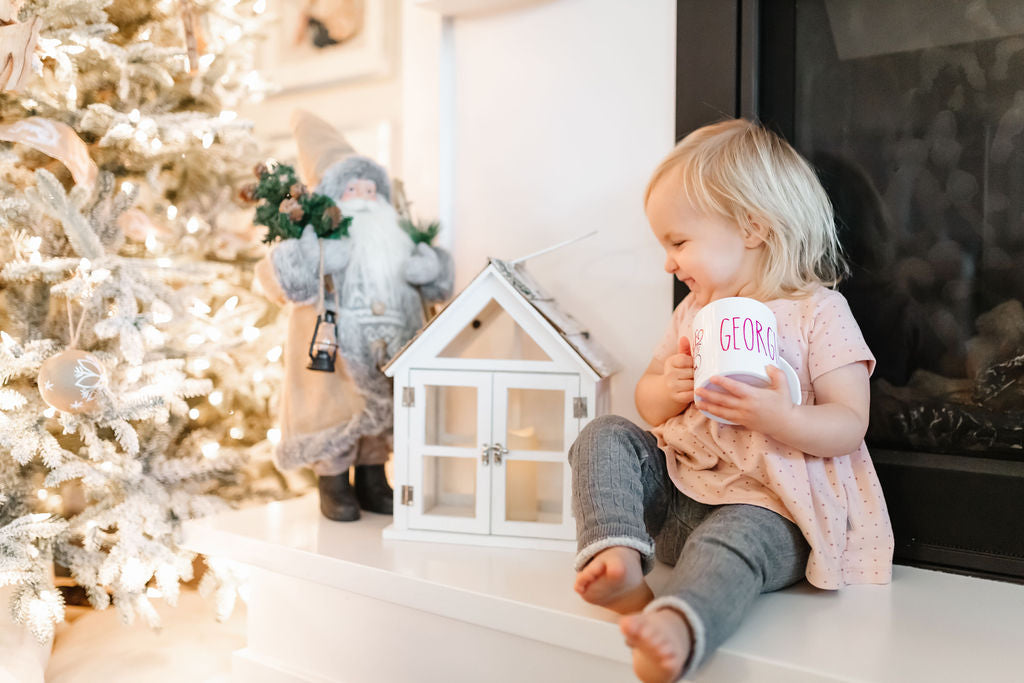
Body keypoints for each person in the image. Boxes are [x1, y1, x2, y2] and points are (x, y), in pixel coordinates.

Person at [569, 118, 894, 682]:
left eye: (677, 242)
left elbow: (849, 423)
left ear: (751, 227)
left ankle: (680, 621)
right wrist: (665, 387)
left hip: (772, 510)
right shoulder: (693, 313)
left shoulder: (819, 313)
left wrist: (782, 417)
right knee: (603, 433)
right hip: (677, 499)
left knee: (733, 538)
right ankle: (617, 555)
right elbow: (648, 404)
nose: (668, 263)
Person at [256, 152, 453, 522]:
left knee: (381, 418)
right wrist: (311, 253)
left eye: (370, 189)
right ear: (332, 197)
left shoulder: (398, 242)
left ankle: (373, 479)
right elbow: (283, 280)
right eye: (352, 189)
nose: (364, 197)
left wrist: (429, 267)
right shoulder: (323, 241)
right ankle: (333, 485)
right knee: (333, 412)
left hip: (391, 349)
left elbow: (436, 284)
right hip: (334, 351)